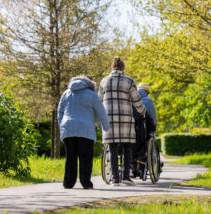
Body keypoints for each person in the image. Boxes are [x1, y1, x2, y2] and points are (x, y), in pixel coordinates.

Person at [99, 56, 146, 186]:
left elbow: (100, 99)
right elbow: (136, 99)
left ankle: (115, 179)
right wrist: (142, 111)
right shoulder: (129, 81)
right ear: (123, 67)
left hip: (109, 118)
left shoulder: (104, 81)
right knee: (127, 146)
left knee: (113, 147)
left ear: (112, 67)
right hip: (125, 117)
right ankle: (125, 176)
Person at [57, 75, 109, 189]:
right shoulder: (92, 94)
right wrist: (106, 127)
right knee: (85, 157)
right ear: (89, 83)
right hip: (86, 129)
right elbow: (101, 111)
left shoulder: (66, 93)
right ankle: (86, 183)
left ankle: (68, 183)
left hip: (68, 128)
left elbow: (60, 112)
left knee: (70, 157)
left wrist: (62, 126)